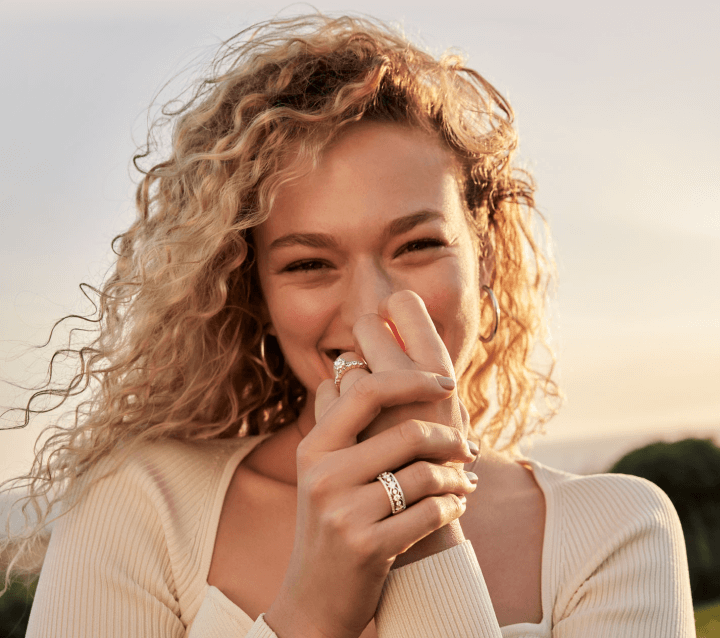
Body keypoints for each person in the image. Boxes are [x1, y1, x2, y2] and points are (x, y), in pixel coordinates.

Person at [1, 13, 695, 638]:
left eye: (417, 245)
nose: (371, 311)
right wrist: (311, 609)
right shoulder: (141, 505)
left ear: (483, 259)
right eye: (309, 264)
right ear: (257, 293)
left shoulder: (617, 527)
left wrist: (425, 528)